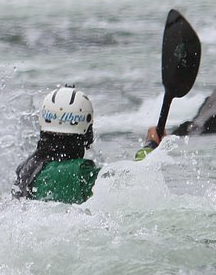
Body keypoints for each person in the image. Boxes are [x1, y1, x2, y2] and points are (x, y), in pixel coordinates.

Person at [13, 85, 166, 204]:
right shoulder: (81, 173)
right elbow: (134, 180)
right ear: (87, 134)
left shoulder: (27, 167)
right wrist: (151, 146)